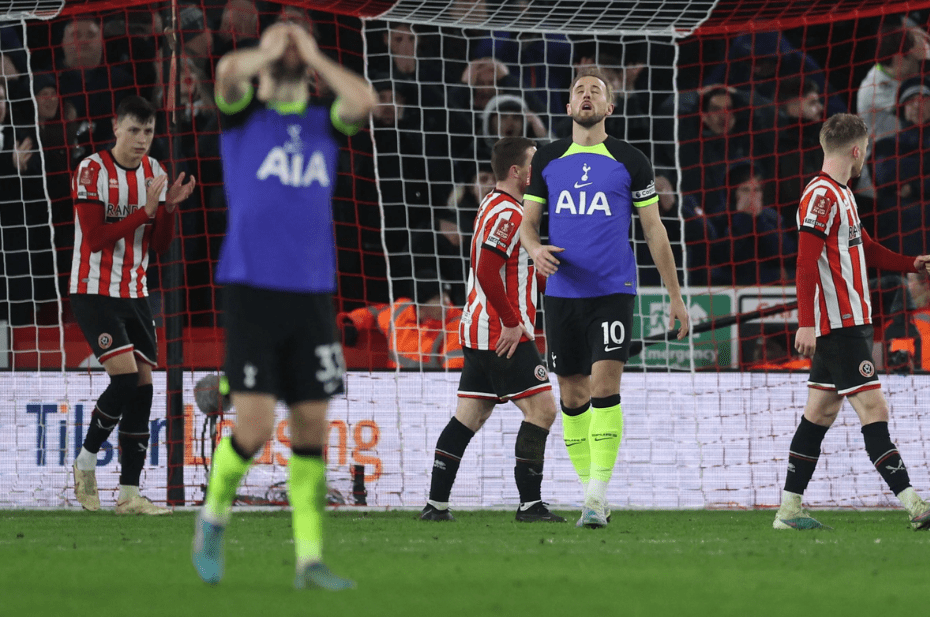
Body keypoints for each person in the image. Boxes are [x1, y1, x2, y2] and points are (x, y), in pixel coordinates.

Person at [191, 22, 375, 590]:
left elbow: (363, 99)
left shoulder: (325, 123)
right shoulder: (245, 115)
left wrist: (312, 52)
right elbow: (224, 73)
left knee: (311, 427)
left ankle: (309, 559)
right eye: (281, 46)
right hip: (252, 288)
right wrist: (270, 46)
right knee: (252, 426)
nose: (288, 49)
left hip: (313, 294)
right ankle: (213, 518)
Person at [520, 67, 690, 528]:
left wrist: (675, 296)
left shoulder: (631, 160)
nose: (587, 95)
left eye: (596, 90)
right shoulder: (549, 159)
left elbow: (654, 230)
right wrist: (535, 249)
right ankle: (591, 492)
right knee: (572, 396)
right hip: (561, 293)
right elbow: (527, 225)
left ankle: (595, 497)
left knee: (604, 387)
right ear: (569, 108)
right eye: (579, 90)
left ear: (609, 108)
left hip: (612, 290)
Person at [773, 113, 930, 531]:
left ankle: (789, 511)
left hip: (849, 324)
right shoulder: (823, 196)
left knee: (819, 415)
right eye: (866, 151)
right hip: (838, 328)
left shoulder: (841, 194)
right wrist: (806, 323)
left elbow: (868, 249)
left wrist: (911, 263)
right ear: (857, 150)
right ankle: (916, 505)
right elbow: (805, 263)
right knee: (874, 408)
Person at [420, 136, 565, 524]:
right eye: (533, 162)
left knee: (469, 415)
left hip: (479, 331)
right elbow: (486, 269)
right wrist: (513, 322)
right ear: (516, 172)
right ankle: (530, 505)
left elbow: (506, 265)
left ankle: (435, 505)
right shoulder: (511, 214)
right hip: (501, 334)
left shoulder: (495, 205)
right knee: (543, 410)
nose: (539, 170)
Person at [69, 95, 195, 515]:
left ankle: (129, 494)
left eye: (149, 132)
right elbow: (96, 239)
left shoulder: (155, 172)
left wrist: (169, 210)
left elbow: (159, 246)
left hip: (136, 294)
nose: (143, 140)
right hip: (93, 290)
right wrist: (144, 211)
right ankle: (86, 460)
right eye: (135, 130)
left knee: (142, 389)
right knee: (124, 379)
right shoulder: (92, 169)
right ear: (116, 127)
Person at [339, 271, 465, 370]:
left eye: (447, 295)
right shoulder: (400, 312)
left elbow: (455, 369)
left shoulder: (455, 323)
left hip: (432, 392)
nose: (447, 302)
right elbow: (374, 313)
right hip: (395, 387)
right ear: (421, 303)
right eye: (438, 298)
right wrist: (351, 322)